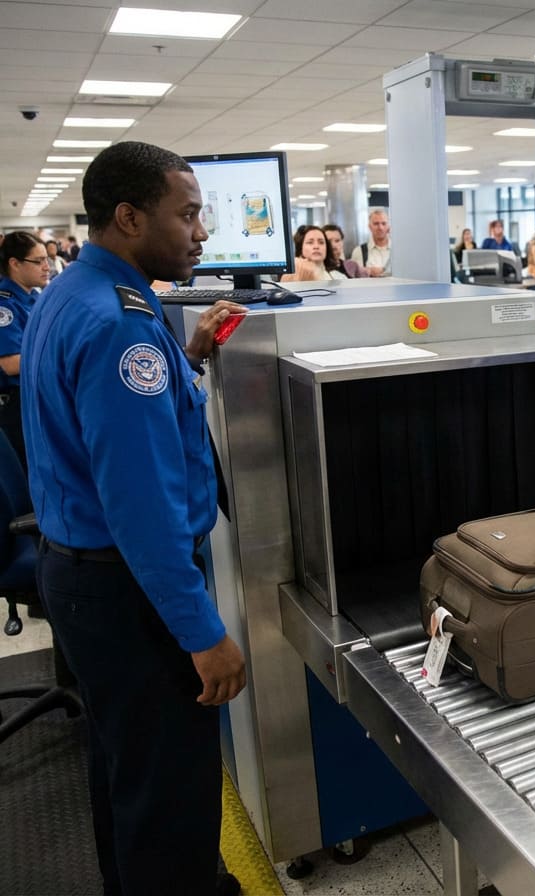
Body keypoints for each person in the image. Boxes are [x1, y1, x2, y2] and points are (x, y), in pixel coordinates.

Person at [21, 140, 247, 895]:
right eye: (185, 215)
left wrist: (185, 357)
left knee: (127, 772)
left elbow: (102, 430)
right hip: (129, 591)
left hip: (80, 577)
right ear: (127, 217)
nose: (200, 233)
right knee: (172, 796)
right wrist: (203, 634)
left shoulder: (74, 292)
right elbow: (140, 509)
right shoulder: (120, 325)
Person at [0, 230, 49, 468]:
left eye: (46, 260)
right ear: (15, 264)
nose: (46, 266)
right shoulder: (5, 306)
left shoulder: (35, 297)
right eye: (38, 261)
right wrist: (58, 357)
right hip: (14, 406)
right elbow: (9, 364)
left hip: (34, 395)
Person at [350, 208, 391, 276]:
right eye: (376, 223)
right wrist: (366, 272)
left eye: (384, 223)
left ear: (388, 226)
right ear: (369, 226)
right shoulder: (358, 251)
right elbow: (352, 277)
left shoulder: (398, 251)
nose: (380, 227)